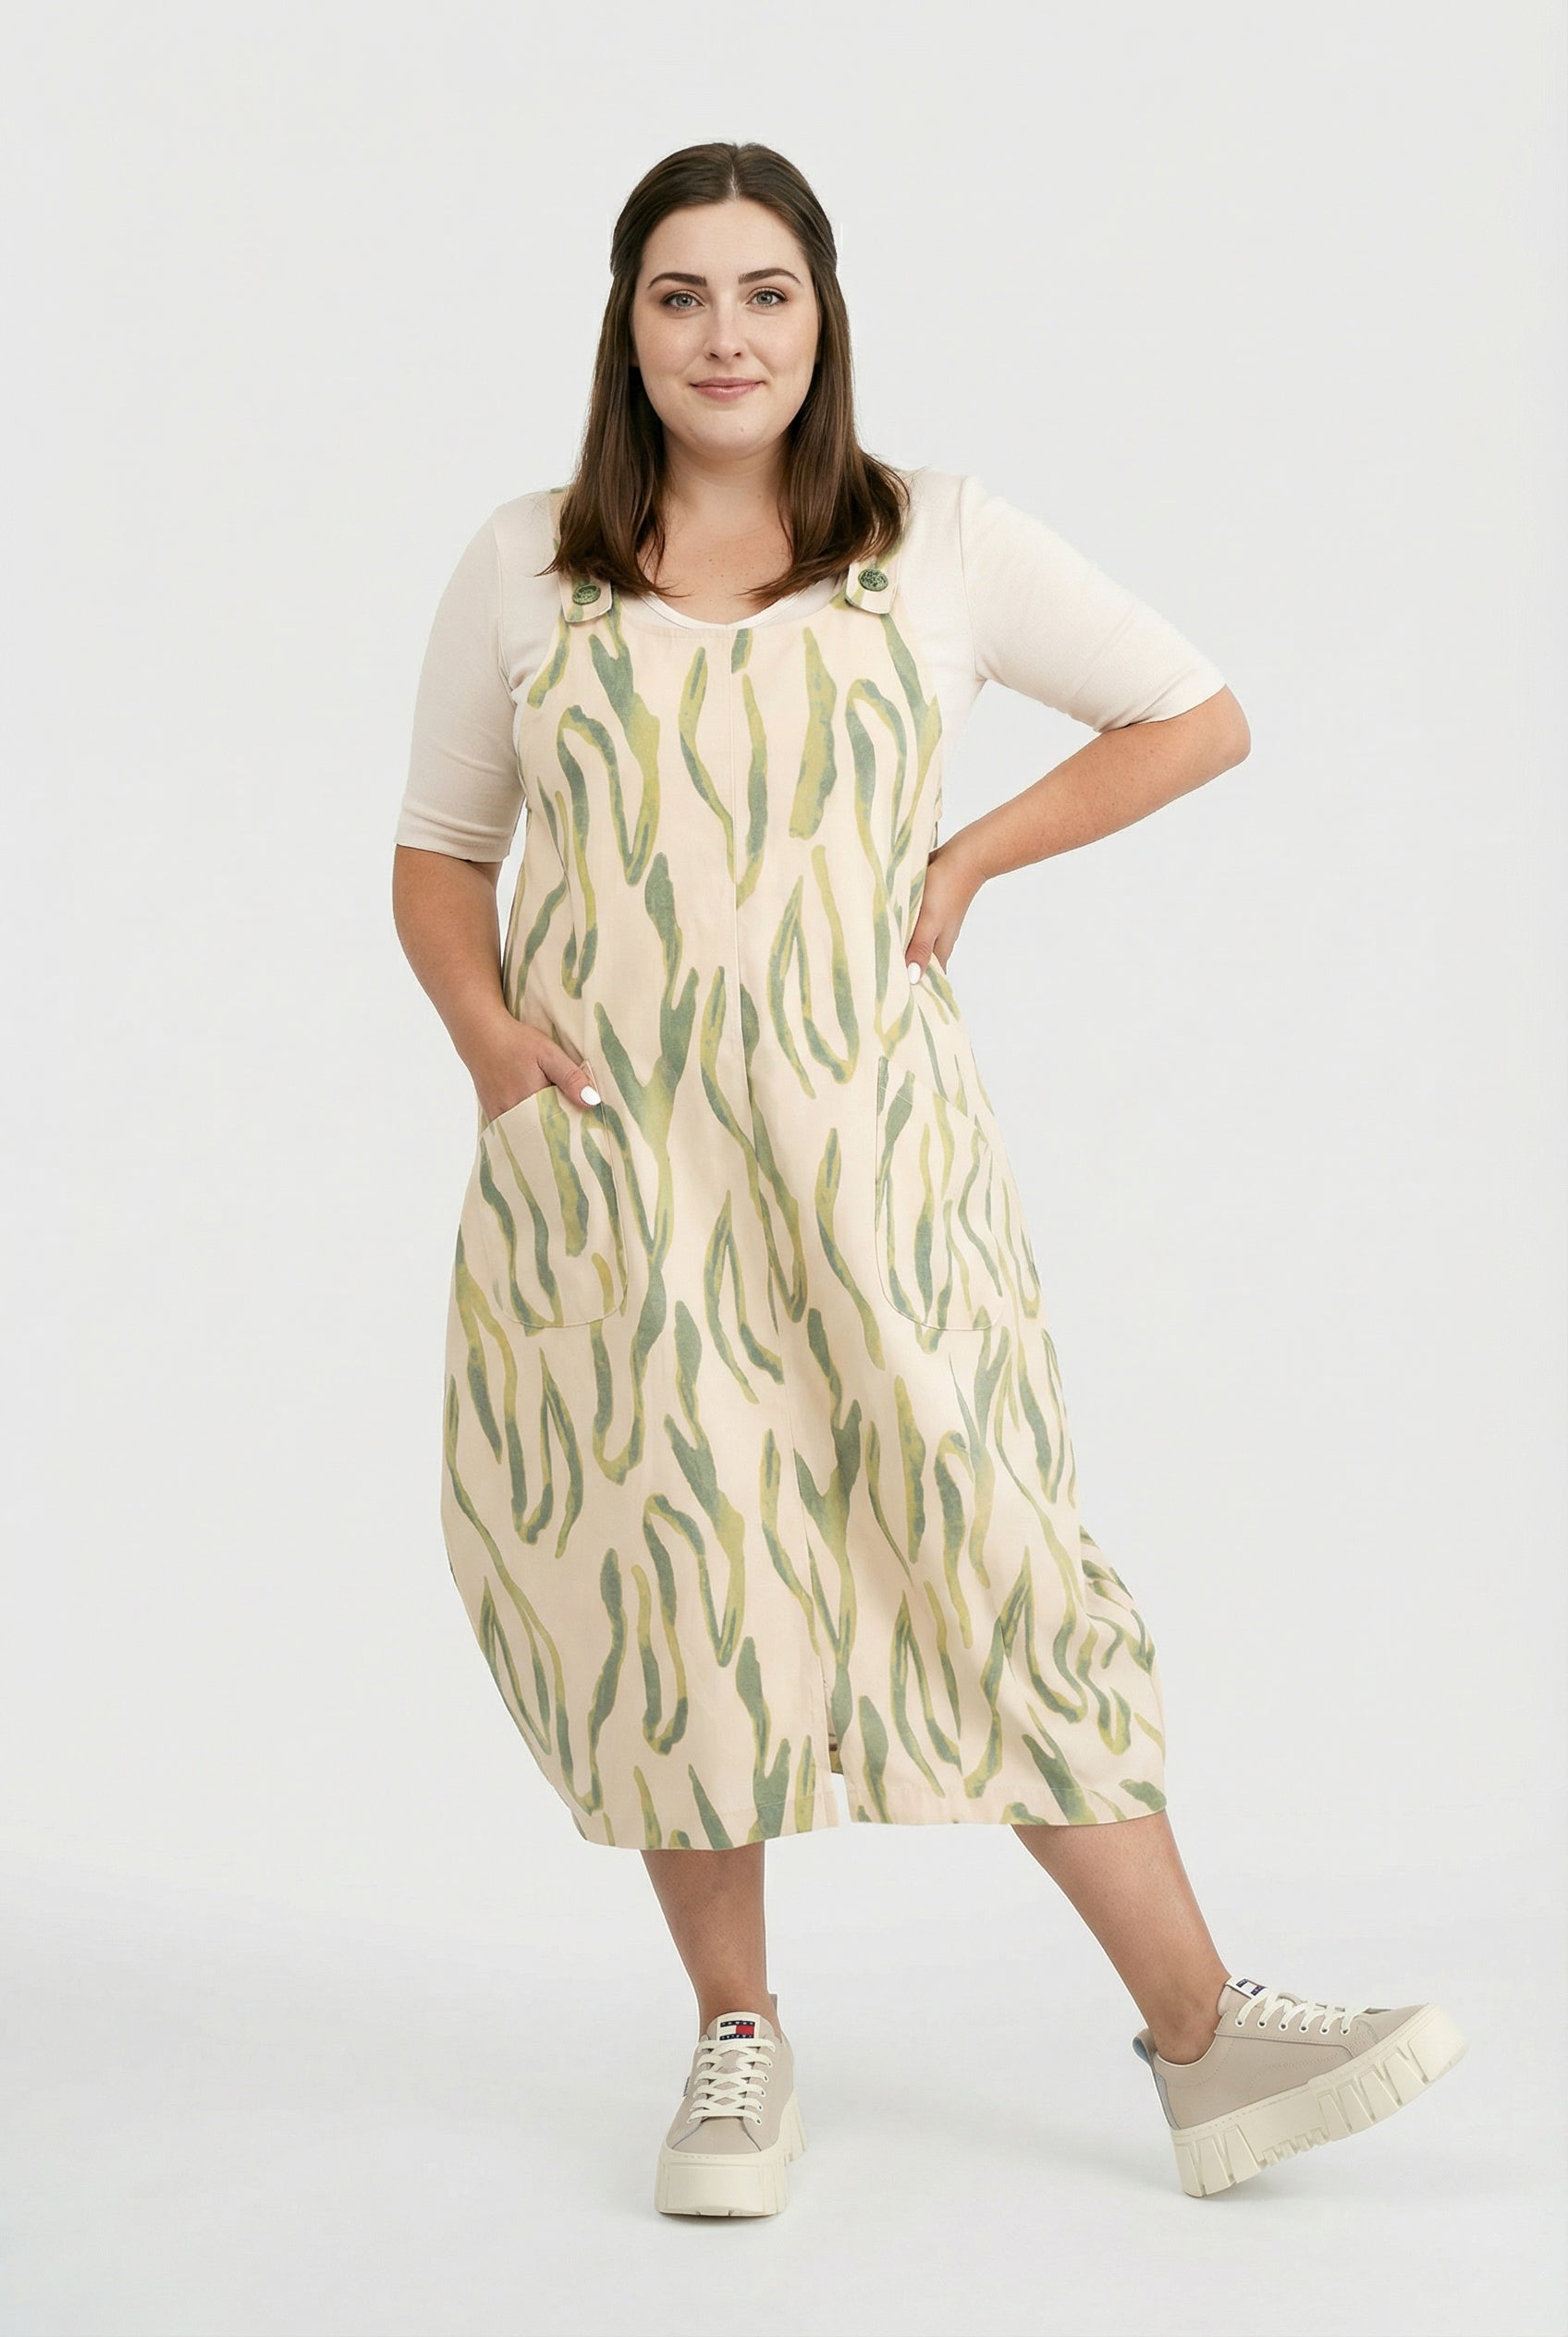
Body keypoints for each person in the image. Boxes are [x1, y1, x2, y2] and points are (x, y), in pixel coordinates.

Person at [392, 140, 1466, 2219]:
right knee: (676, 1573)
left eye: (764, 292)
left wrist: (971, 854)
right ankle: (736, 2038)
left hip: (876, 1164)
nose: (724, 335)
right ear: (626, 324)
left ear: (822, 317)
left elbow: (1192, 713)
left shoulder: (935, 541)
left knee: (990, 1548)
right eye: (681, 294)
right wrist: (488, 1045)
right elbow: (441, 852)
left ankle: (1203, 2038)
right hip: (618, 1180)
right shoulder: (527, 561)